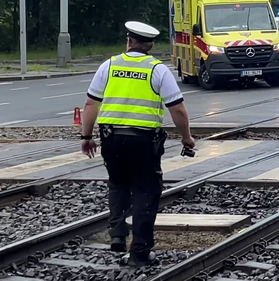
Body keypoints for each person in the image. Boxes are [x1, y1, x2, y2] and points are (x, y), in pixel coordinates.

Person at [80, 21, 196, 268]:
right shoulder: (157, 69)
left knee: (118, 183)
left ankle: (118, 235)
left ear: (129, 41)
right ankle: (141, 252)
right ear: (150, 46)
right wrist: (186, 138)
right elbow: (177, 109)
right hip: (143, 142)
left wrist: (86, 137)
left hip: (111, 139)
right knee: (146, 191)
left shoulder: (109, 66)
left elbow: (91, 104)